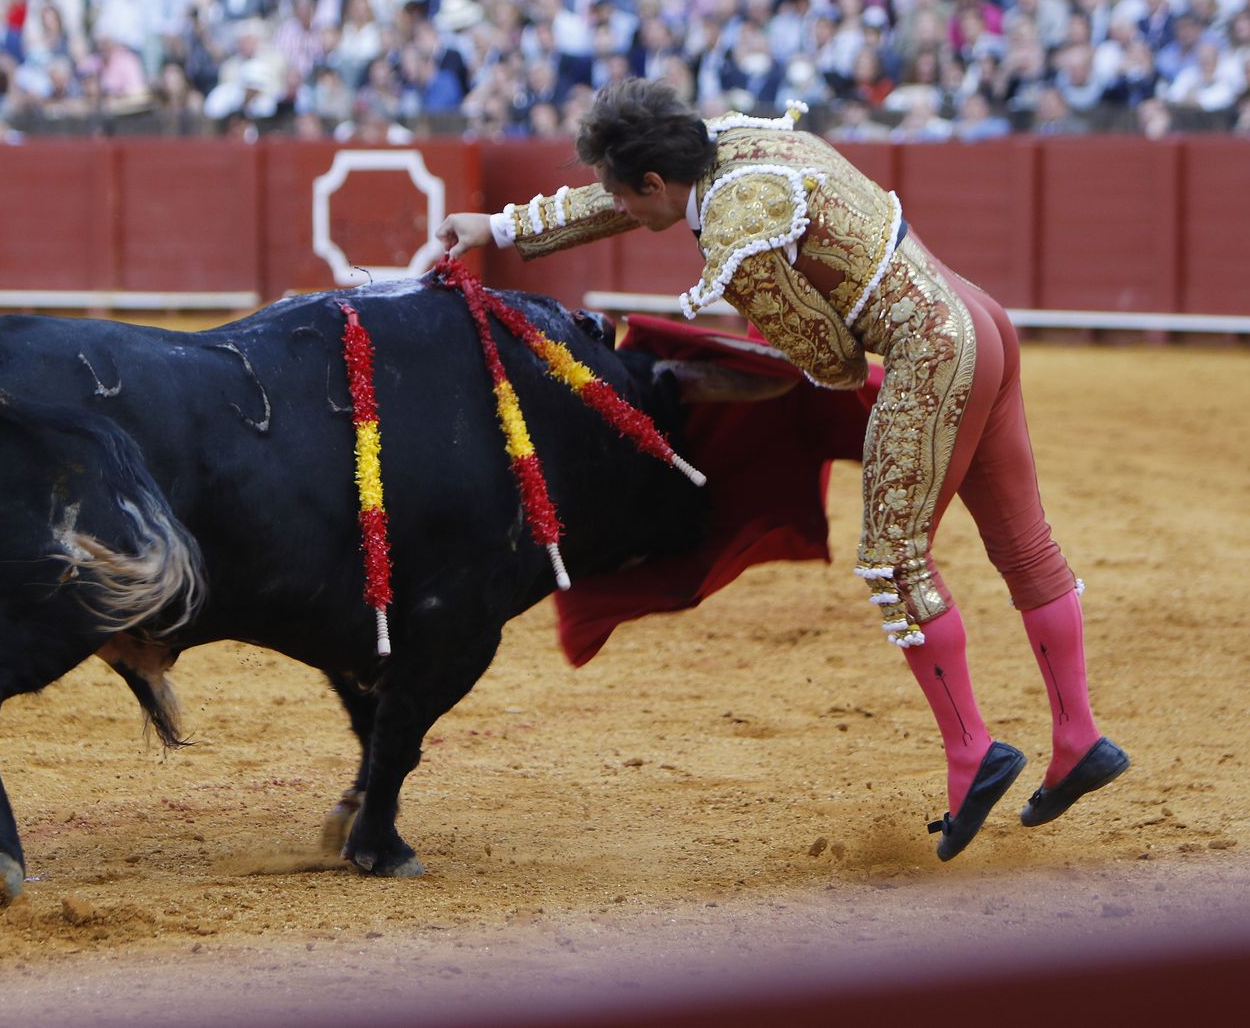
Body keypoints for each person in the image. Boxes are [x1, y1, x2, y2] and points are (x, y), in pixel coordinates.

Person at [435, 79, 1127, 862]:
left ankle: (975, 756)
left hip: (931, 356)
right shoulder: (729, 137)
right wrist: (496, 224)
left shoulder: (735, 233)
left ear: (657, 183)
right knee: (1022, 543)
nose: (623, 209)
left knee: (895, 563)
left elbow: (831, 361)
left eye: (628, 195)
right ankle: (1079, 737)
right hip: (976, 317)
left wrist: (759, 375)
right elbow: (625, 198)